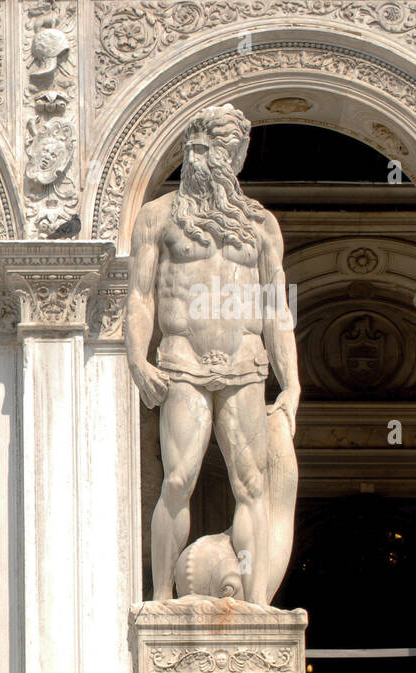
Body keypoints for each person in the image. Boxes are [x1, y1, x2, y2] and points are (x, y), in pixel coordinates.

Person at [125, 104, 300, 604]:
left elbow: (276, 310)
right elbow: (140, 296)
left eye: (224, 151)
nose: (208, 160)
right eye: (200, 149)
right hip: (183, 364)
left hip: (246, 365)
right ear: (190, 152)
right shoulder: (158, 217)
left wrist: (291, 382)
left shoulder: (261, 225)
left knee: (252, 486)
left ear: (238, 156)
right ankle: (160, 602)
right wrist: (138, 359)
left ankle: (258, 605)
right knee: (178, 480)